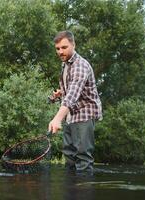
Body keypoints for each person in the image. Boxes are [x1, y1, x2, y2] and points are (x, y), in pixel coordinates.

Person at [48, 30, 102, 171]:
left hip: (84, 114)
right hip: (70, 115)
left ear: (73, 44)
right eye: (58, 49)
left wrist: (57, 119)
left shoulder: (80, 65)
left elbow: (73, 94)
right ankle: (71, 191)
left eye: (64, 47)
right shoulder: (66, 64)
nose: (60, 51)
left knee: (83, 158)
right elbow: (69, 89)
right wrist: (60, 93)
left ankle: (83, 191)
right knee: (70, 157)